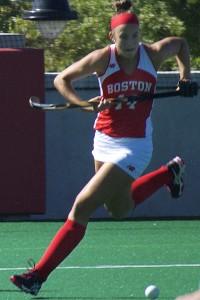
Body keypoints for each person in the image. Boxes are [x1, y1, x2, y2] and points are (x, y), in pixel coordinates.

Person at [10, 0, 198, 296]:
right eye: (124, 37)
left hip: (135, 146)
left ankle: (37, 276)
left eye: (135, 36)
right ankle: (169, 173)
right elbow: (62, 80)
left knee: (82, 206)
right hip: (104, 140)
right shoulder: (102, 59)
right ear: (113, 37)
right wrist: (85, 105)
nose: (131, 43)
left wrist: (185, 77)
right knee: (119, 209)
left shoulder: (152, 54)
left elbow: (182, 44)